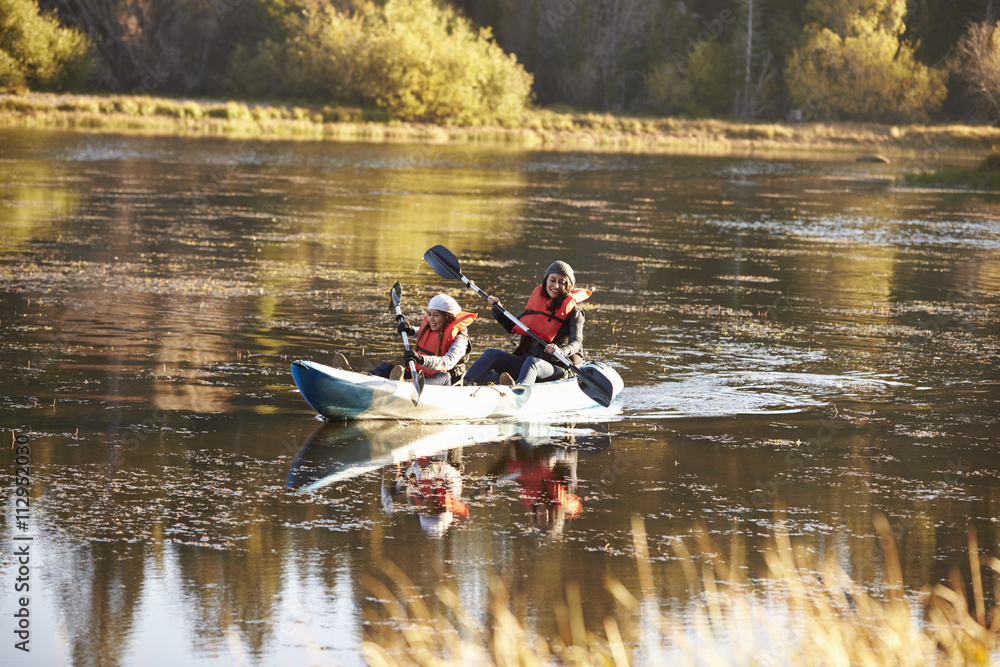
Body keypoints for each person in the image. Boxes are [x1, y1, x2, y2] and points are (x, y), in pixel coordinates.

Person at [463, 261, 589, 386]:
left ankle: (518, 392)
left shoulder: (575, 313)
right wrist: (497, 310)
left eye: (562, 282)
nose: (556, 286)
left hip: (555, 368)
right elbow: (513, 326)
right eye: (552, 280)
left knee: (531, 362)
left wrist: (561, 351)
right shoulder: (538, 305)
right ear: (546, 281)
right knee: (491, 354)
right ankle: (462, 384)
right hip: (526, 364)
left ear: (569, 286)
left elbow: (576, 343)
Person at [364, 294, 476, 386]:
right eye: (429, 314)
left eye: (436, 315)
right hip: (419, 375)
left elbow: (448, 362)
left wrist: (421, 359)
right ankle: (359, 377)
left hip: (446, 383)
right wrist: (410, 330)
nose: (431, 319)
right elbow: (421, 331)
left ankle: (408, 384)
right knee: (386, 367)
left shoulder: (461, 339)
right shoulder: (433, 325)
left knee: (443, 376)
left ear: (447, 317)